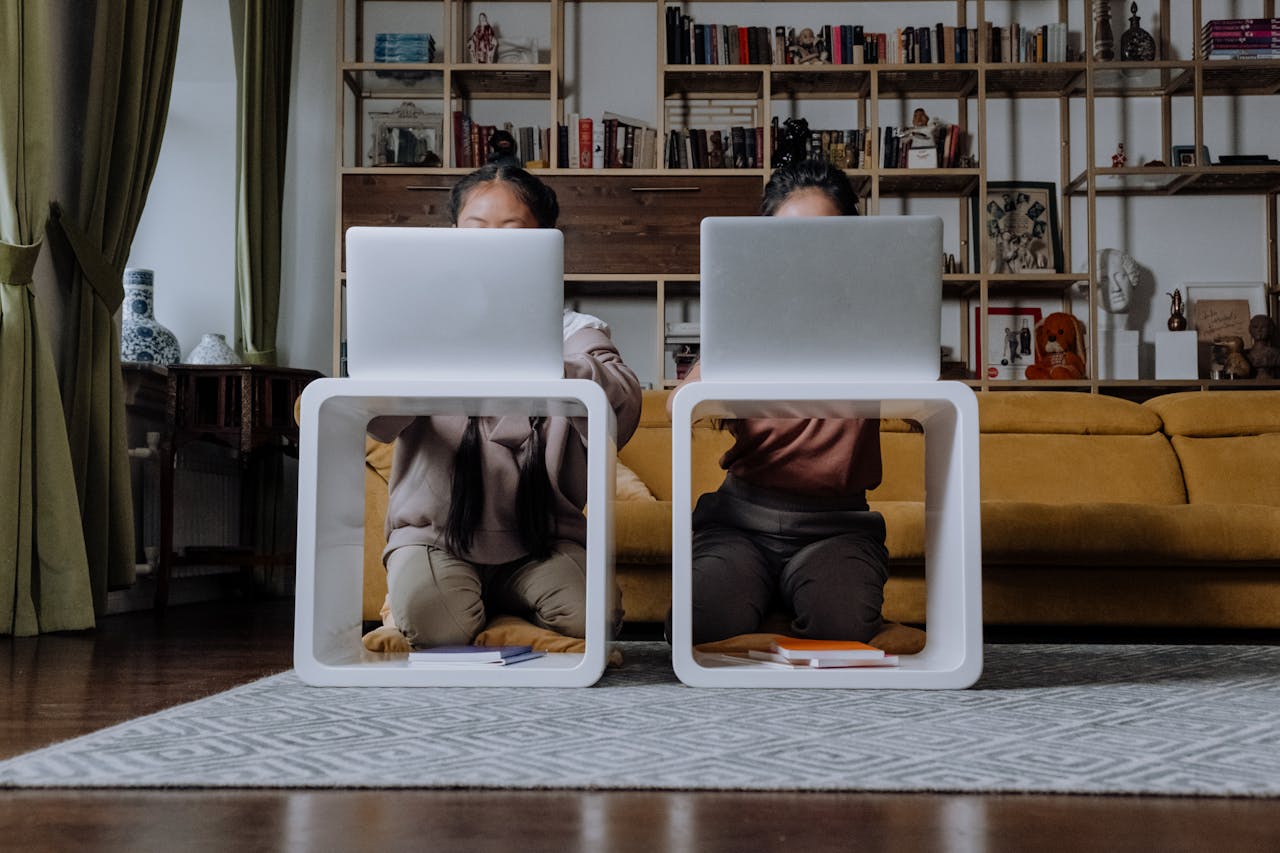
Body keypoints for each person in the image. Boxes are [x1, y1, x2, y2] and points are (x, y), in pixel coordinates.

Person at [368, 163, 642, 649]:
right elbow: (377, 421)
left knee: (593, 620)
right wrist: (424, 351)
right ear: (451, 237)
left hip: (541, 540)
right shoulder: (419, 328)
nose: (492, 247)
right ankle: (442, 610)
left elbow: (621, 407)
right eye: (476, 231)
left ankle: (502, 616)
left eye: (513, 233)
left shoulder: (574, 332)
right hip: (437, 537)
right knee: (435, 623)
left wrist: (542, 357)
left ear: (546, 244)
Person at [669, 158, 888, 645]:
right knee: (697, 624)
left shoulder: (878, 326)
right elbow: (679, 404)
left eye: (825, 239)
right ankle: (759, 592)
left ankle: (780, 598)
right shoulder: (745, 322)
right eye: (791, 241)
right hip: (738, 523)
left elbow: (926, 397)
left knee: (843, 630)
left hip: (840, 527)